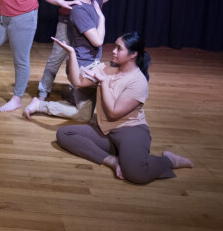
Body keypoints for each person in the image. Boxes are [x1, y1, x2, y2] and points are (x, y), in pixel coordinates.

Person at [24, 0, 168, 122]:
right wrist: (102, 18)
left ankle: (76, 98)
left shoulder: (94, 0)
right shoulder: (79, 11)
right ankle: (40, 105)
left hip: (93, 65)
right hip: (83, 69)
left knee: (85, 113)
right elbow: (98, 41)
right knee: (102, 97)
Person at [51, 32, 193, 184]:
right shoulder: (106, 68)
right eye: (115, 47)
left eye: (119, 48)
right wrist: (72, 54)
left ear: (133, 54)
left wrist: (104, 83)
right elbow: (78, 81)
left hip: (130, 130)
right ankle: (112, 159)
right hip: (105, 132)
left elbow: (113, 113)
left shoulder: (138, 82)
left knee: (137, 174)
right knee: (65, 134)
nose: (113, 51)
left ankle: (169, 160)